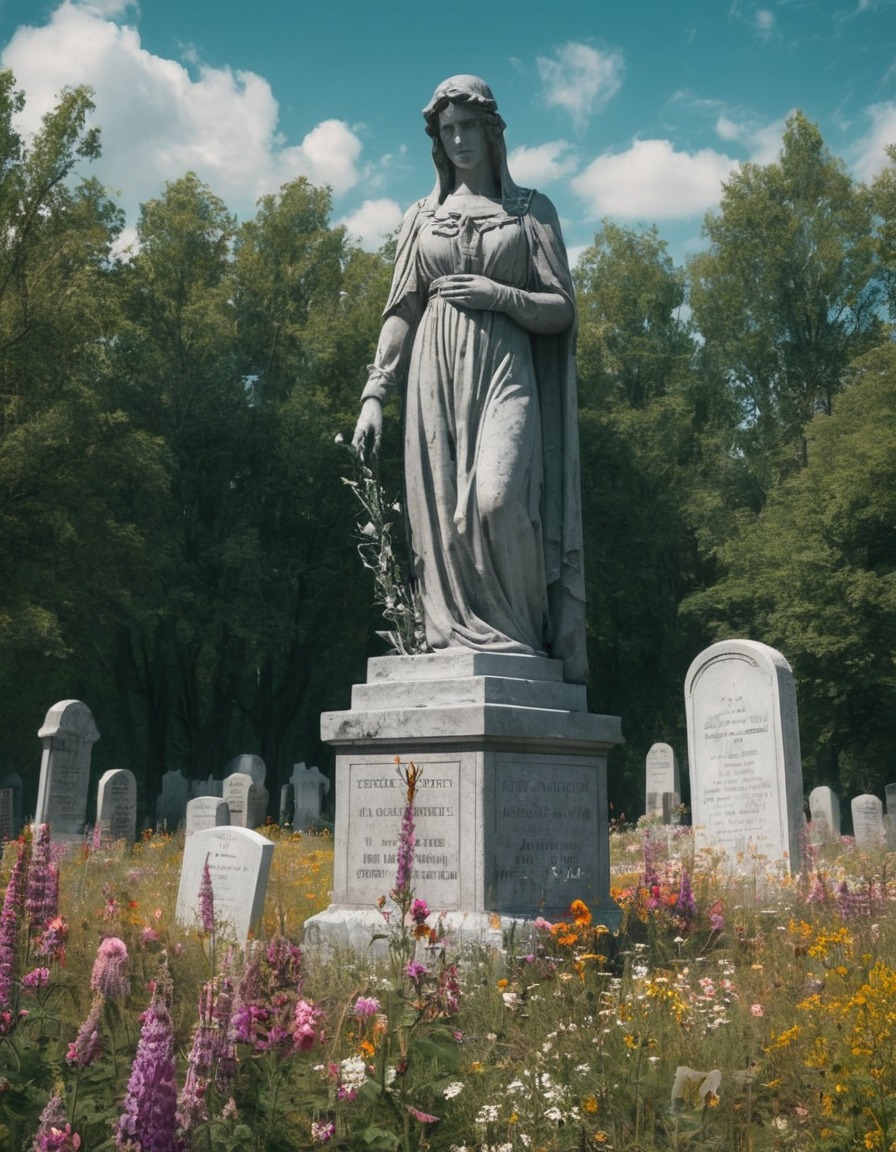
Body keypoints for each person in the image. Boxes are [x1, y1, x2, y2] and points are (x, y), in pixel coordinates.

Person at [352, 75, 587, 683]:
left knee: (498, 499)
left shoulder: (529, 211)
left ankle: (516, 638)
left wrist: (499, 295)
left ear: (491, 131)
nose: (458, 139)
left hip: (505, 366)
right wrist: (375, 393)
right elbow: (401, 310)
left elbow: (560, 308)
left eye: (468, 126)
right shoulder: (421, 217)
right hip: (434, 372)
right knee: (442, 519)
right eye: (446, 129)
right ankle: (453, 637)